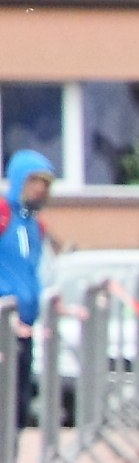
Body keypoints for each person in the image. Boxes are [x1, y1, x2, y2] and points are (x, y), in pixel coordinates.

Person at [1, 150, 54, 426]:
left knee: (19, 406)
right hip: (4, 324)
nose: (39, 189)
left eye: (44, 184)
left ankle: (12, 453)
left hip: (24, 327)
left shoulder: (35, 226)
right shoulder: (3, 215)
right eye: (33, 181)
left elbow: (32, 272)